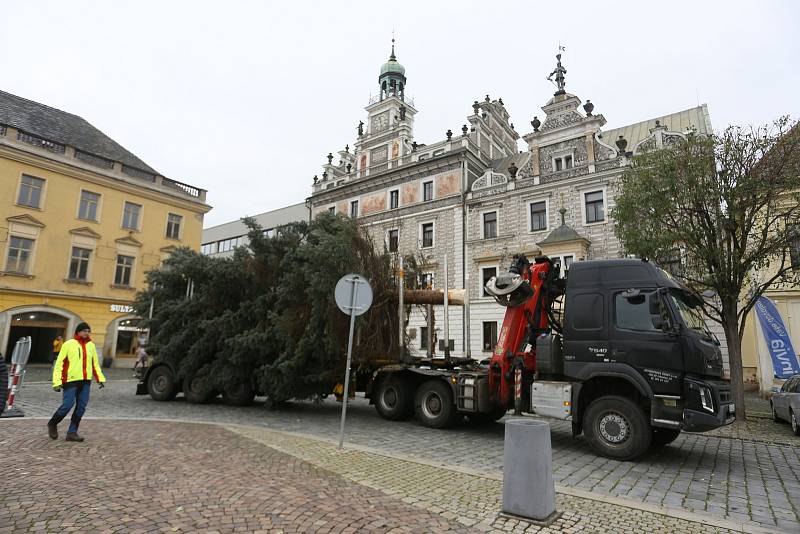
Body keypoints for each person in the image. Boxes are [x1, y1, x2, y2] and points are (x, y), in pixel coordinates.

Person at [48, 322, 105, 442]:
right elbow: (59, 364)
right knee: (67, 405)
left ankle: (72, 432)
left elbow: (95, 364)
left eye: (88, 331)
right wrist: (56, 381)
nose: (86, 333)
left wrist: (100, 378)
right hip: (70, 380)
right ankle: (53, 423)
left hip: (85, 381)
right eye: (84, 330)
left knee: (81, 407)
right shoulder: (68, 344)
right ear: (78, 332)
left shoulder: (91, 345)